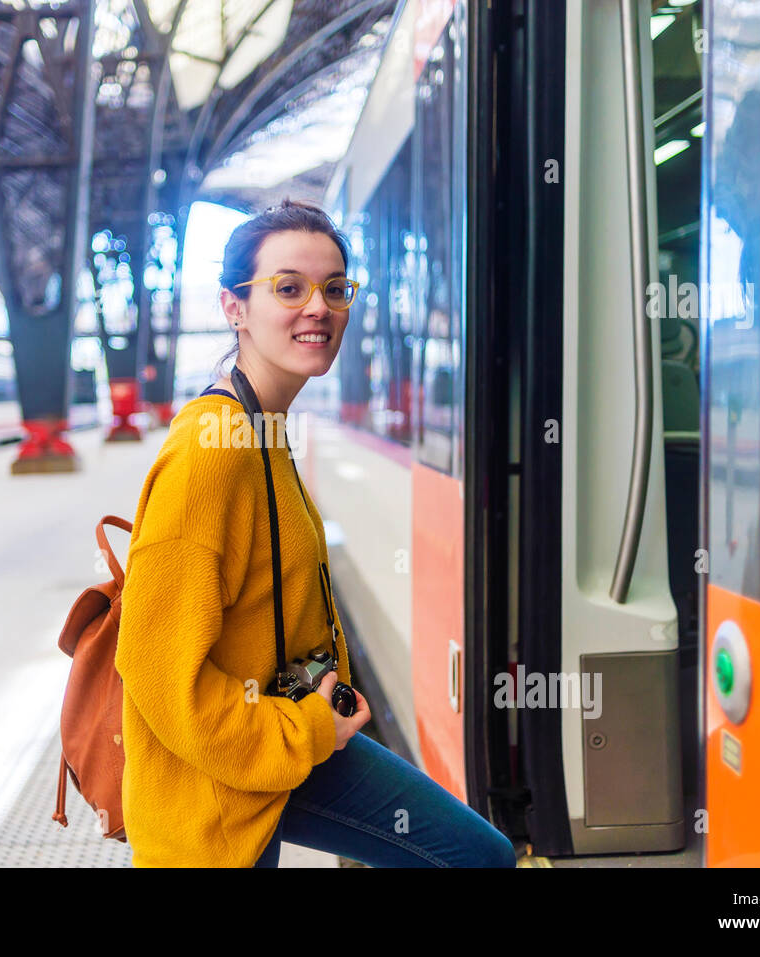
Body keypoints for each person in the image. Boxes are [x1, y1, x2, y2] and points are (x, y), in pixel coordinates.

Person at [114, 199, 517, 867]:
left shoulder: (262, 426)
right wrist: (302, 729)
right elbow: (156, 671)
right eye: (289, 287)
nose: (318, 307)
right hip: (226, 781)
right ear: (233, 306)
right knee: (476, 856)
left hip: (276, 748)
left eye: (335, 288)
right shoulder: (209, 454)